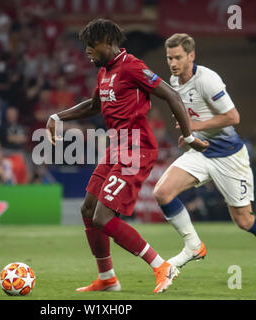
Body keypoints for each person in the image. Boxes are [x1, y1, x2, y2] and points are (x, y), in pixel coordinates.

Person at [46, 19, 209, 293]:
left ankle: (161, 265)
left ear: (108, 42)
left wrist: (190, 137)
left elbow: (171, 96)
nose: (87, 51)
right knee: (88, 210)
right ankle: (108, 278)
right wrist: (57, 116)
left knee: (102, 217)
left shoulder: (132, 66)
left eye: (91, 45)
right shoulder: (105, 71)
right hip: (117, 147)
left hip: (137, 148)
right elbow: (94, 106)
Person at [153, 33, 256, 280]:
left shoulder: (207, 80)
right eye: (169, 58)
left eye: (177, 57)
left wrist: (195, 127)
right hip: (202, 151)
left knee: (244, 220)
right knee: (162, 192)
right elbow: (190, 114)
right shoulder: (175, 81)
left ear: (191, 56)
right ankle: (193, 246)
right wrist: (189, 133)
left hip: (229, 156)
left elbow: (233, 117)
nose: (173, 63)